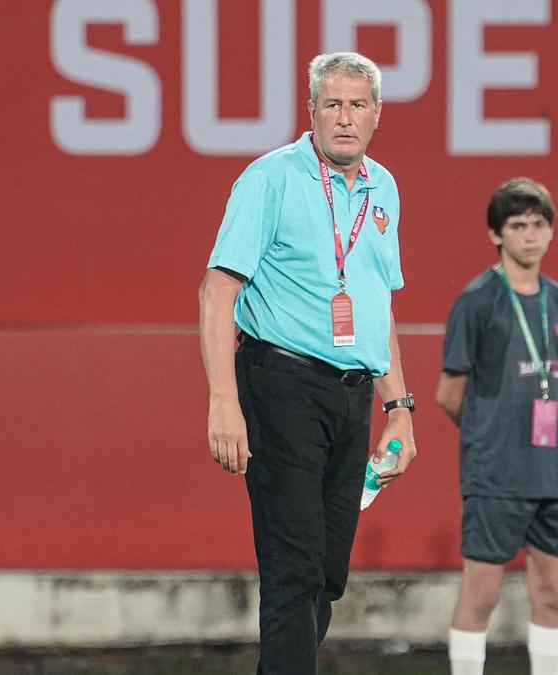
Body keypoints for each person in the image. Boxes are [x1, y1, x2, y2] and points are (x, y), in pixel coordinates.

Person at [198, 51, 417, 673]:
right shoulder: (271, 178)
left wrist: (399, 408)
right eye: (333, 104)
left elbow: (375, 304)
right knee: (293, 568)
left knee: (325, 574)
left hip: (352, 395)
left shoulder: (383, 188)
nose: (345, 117)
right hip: (281, 384)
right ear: (312, 111)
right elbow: (217, 289)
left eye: (357, 105)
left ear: (377, 114)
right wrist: (224, 403)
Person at [440, 178, 558, 675]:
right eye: (518, 226)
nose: (530, 235)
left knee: (552, 593)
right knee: (482, 594)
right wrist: (490, 434)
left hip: (550, 474)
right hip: (496, 475)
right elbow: (449, 394)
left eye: (539, 224)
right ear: (496, 234)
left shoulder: (555, 299)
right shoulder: (477, 301)